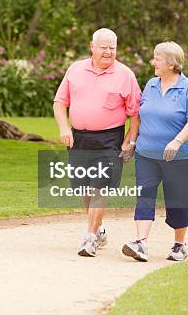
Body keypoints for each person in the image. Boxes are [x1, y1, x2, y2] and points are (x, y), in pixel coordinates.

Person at [53, 28, 141, 257]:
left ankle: (90, 239)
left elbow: (136, 114)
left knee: (98, 188)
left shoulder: (125, 75)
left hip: (109, 140)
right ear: (92, 47)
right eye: (103, 47)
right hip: (79, 138)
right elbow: (60, 102)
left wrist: (129, 141)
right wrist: (64, 128)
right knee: (84, 189)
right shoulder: (75, 69)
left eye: (112, 47)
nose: (108, 52)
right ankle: (99, 231)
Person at [122, 41, 188, 262]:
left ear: (171, 63)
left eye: (157, 58)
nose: (153, 62)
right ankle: (141, 243)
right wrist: (131, 142)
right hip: (146, 154)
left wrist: (177, 141)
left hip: (178, 156)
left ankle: (179, 245)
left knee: (178, 199)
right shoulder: (150, 84)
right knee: (144, 194)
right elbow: (139, 116)